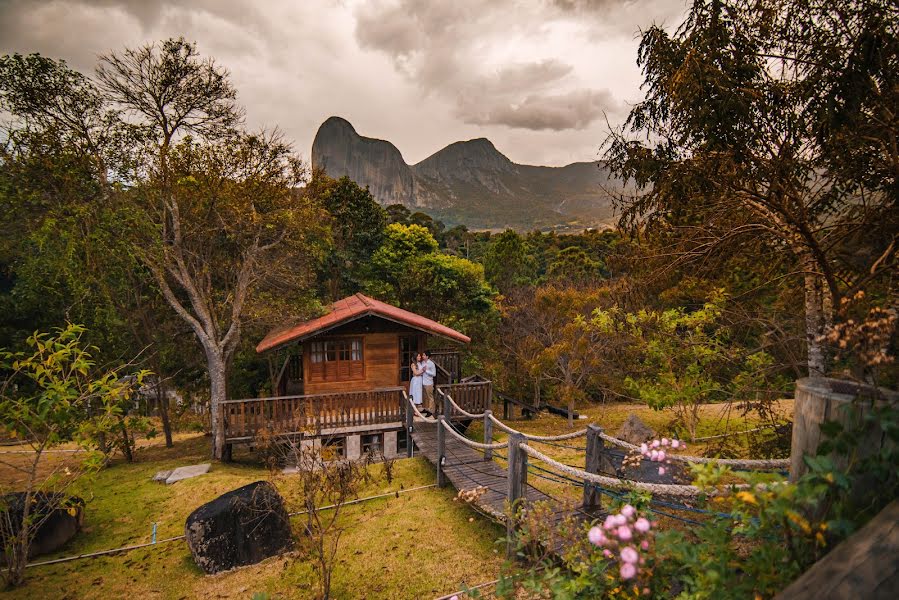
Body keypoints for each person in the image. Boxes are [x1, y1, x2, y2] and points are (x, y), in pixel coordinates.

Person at [422, 350, 437, 414]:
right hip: (423, 382)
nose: (422, 356)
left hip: (429, 383)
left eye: (424, 355)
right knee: (425, 397)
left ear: (427, 356)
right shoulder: (423, 362)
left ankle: (431, 411)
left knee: (430, 397)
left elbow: (434, 374)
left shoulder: (431, 364)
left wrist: (426, 371)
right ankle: (426, 408)